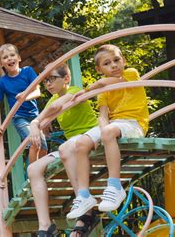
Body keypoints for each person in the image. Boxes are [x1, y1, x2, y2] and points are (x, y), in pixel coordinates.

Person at [66, 44, 149, 220]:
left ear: (124, 60)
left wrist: (86, 91)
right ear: (99, 69)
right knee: (81, 144)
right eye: (107, 63)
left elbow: (104, 83)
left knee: (109, 131)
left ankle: (115, 186)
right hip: (113, 124)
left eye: (117, 60)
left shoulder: (130, 74)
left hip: (133, 124)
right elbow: (103, 116)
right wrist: (103, 132)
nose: (114, 65)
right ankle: (84, 195)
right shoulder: (103, 93)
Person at [26, 63, 98, 237]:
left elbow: (53, 108)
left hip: (89, 139)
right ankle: (46, 226)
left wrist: (37, 122)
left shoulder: (74, 90)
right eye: (46, 81)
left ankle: (86, 212)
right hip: (71, 145)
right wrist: (35, 125)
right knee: (33, 169)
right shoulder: (52, 99)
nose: (48, 84)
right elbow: (41, 118)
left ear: (66, 78)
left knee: (65, 149)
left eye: (52, 79)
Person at [0, 43, 45, 163]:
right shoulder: (3, 82)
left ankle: (42, 170)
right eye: (5, 57)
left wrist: (25, 96)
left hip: (35, 117)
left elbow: (37, 92)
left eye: (12, 55)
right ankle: (33, 172)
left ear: (19, 58)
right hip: (19, 117)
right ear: (1, 64)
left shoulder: (28, 71)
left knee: (43, 147)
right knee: (34, 142)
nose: (9, 58)